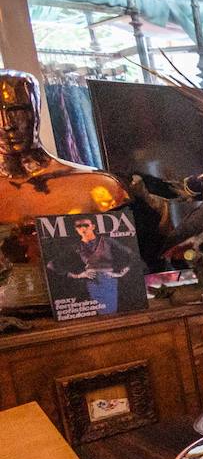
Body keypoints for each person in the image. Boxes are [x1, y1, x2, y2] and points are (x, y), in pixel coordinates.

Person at [1, 69, 129, 315]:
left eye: (16, 110)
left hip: (92, 307)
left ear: (36, 109)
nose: (6, 125)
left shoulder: (94, 186)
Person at [47, 215, 138, 314]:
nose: (82, 228)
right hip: (92, 283)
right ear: (76, 229)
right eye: (79, 226)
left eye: (86, 225)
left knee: (110, 312)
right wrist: (77, 275)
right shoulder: (76, 247)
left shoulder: (107, 241)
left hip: (109, 281)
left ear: (93, 226)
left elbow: (131, 254)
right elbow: (51, 264)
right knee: (98, 313)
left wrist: (124, 271)